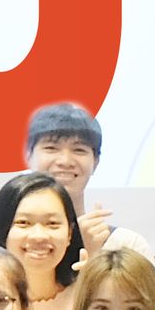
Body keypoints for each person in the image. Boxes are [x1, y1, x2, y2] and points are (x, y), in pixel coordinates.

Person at [0, 172, 86, 310]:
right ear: (3, 231)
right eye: (24, 223)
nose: (39, 236)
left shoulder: (88, 299)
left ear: (69, 234)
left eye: (52, 224)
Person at [21, 102, 111, 260]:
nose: (65, 161)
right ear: (28, 155)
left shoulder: (125, 243)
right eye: (51, 148)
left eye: (79, 150)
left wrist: (94, 255)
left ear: (96, 162)